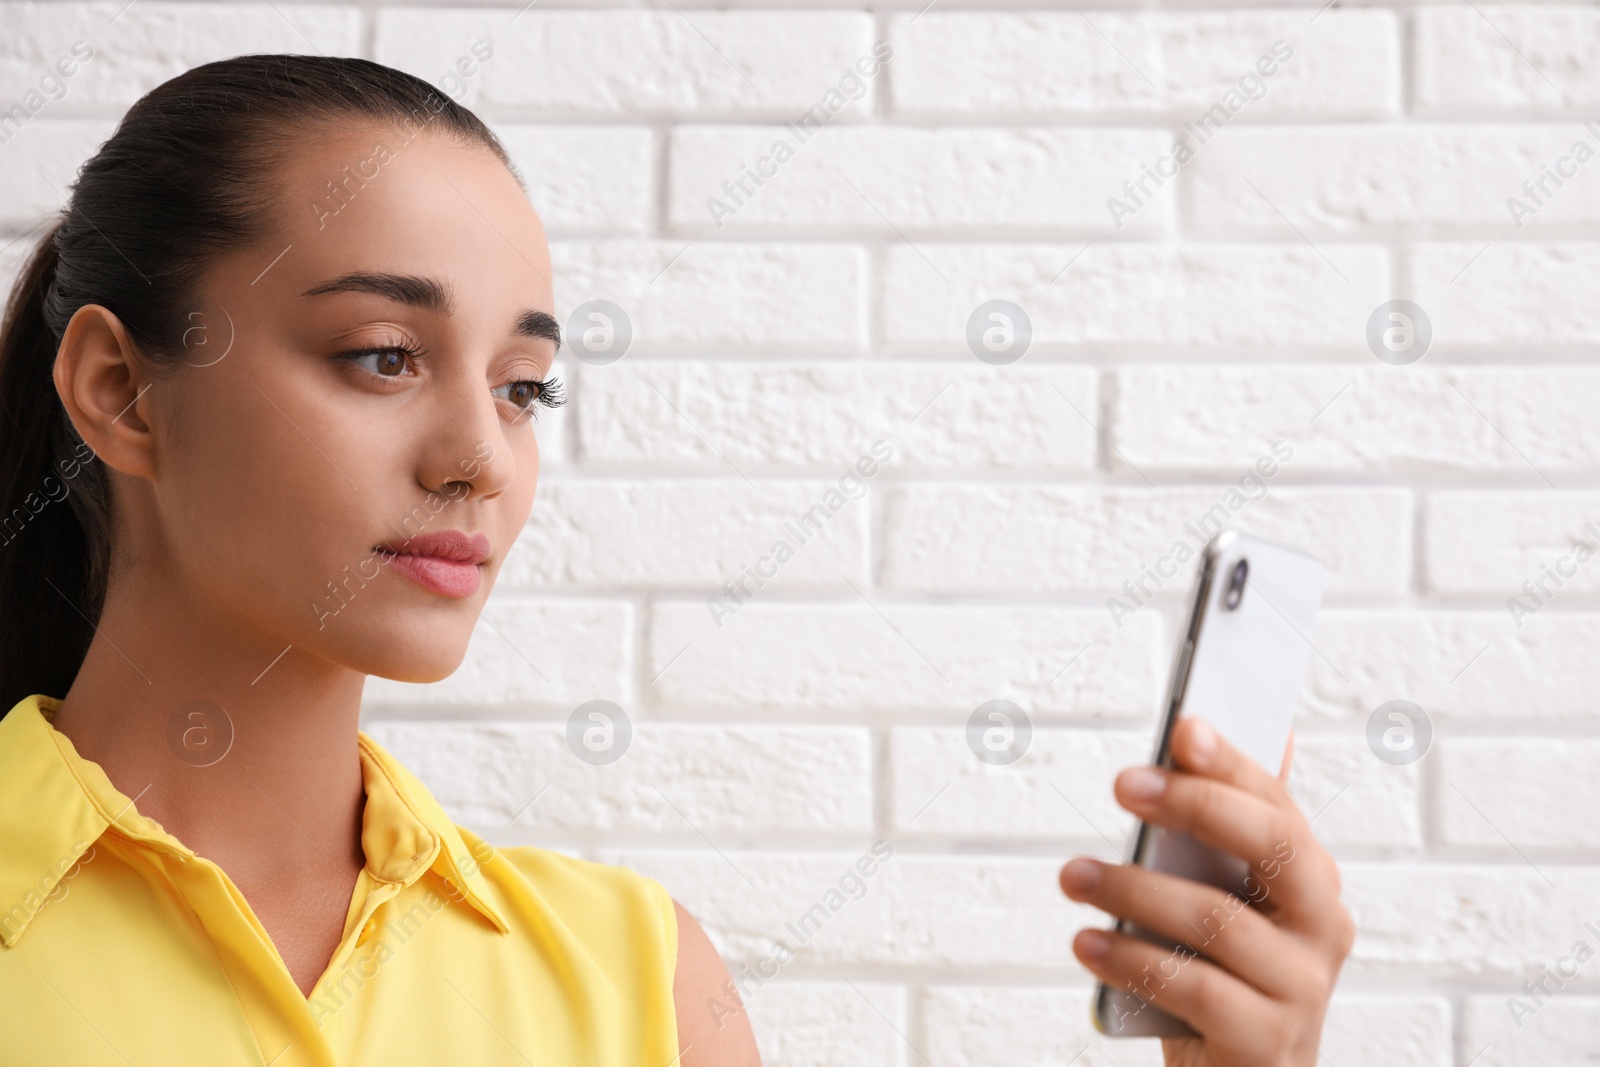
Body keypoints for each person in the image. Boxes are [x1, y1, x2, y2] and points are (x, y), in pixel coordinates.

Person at [0, 53, 1350, 1067]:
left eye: (527, 388)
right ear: (121, 391)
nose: (479, 456)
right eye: (384, 357)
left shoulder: (638, 980)